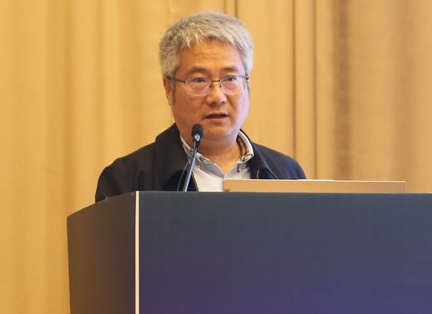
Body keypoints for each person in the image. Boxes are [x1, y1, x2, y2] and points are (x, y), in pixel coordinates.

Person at [95, 11, 305, 199]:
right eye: (199, 80)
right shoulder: (126, 181)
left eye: (230, 79)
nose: (217, 96)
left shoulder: (286, 174)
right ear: (169, 89)